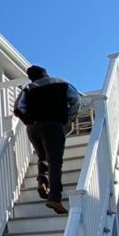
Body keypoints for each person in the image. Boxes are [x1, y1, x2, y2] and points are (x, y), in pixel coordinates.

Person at [12, 65, 81, 215]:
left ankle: (42, 181)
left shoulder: (28, 88)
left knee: (42, 156)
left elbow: (17, 108)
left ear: (31, 77)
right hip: (53, 125)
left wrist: (28, 121)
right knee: (54, 161)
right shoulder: (61, 83)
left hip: (33, 128)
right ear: (45, 73)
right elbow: (76, 101)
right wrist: (67, 120)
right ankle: (55, 197)